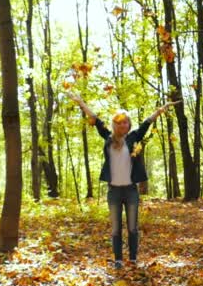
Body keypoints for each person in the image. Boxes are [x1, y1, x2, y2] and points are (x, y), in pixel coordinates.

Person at [69, 93, 179, 269]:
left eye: (125, 122)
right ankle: (118, 260)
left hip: (130, 191)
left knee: (133, 228)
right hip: (113, 191)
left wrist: (161, 110)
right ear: (115, 124)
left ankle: (133, 259)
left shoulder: (133, 137)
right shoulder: (108, 138)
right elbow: (95, 119)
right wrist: (81, 102)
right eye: (119, 122)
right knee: (115, 229)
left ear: (129, 124)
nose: (122, 124)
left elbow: (147, 122)